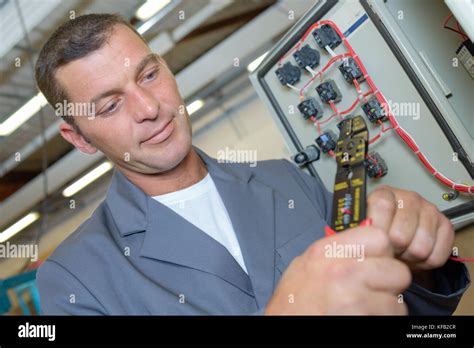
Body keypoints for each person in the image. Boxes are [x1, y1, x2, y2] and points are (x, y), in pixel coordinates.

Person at [35, 14, 469, 315]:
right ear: (79, 138)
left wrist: (414, 269)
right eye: (111, 105)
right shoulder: (76, 277)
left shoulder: (284, 179)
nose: (149, 107)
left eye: (149, 75)